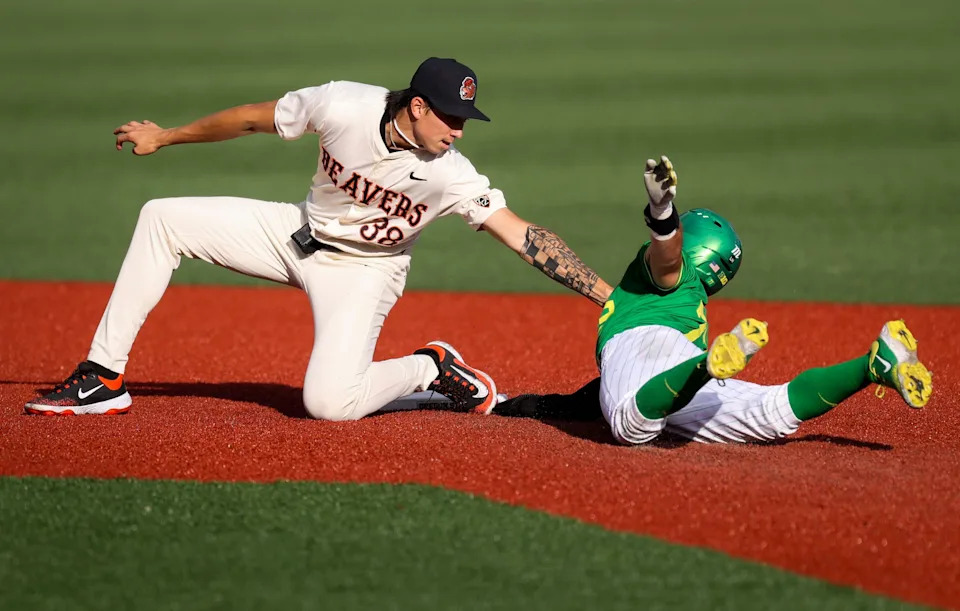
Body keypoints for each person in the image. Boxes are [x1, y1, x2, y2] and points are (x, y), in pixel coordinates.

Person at [24, 57, 612, 419]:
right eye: (450, 119)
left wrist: (608, 298)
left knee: (329, 405)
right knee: (162, 217)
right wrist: (167, 135)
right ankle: (103, 377)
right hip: (295, 231)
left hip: (365, 272)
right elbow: (254, 118)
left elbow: (523, 236)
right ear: (416, 107)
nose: (459, 131)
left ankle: (428, 370)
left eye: (465, 120)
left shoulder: (451, 175)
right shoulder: (343, 105)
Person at [494, 156, 934, 444]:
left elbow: (667, 259)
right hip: (677, 358)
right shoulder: (691, 303)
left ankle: (706, 367)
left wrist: (663, 214)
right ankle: (873, 363)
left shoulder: (671, 274)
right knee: (771, 415)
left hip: (646, 346)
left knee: (631, 426)